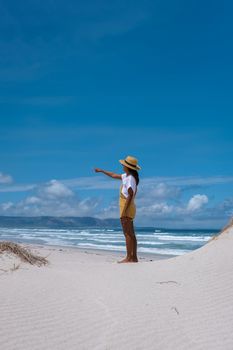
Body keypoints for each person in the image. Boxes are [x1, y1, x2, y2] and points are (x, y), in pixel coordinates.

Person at [94, 155, 141, 263]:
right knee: (131, 234)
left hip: (127, 206)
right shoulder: (127, 176)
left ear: (128, 167)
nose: (122, 165)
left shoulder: (130, 179)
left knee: (127, 234)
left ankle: (129, 258)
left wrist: (124, 211)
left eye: (123, 164)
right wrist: (102, 170)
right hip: (129, 207)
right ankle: (134, 258)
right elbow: (114, 175)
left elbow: (130, 194)